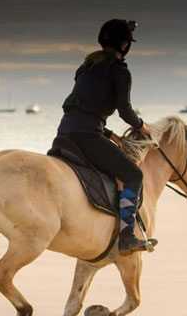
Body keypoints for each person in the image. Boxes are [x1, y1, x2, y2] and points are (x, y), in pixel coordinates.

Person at [54, 19, 157, 255]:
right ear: (124, 45)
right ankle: (127, 236)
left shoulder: (86, 68)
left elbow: (86, 109)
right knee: (133, 174)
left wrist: (109, 135)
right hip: (87, 138)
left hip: (64, 134)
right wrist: (142, 126)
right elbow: (125, 111)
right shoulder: (120, 71)